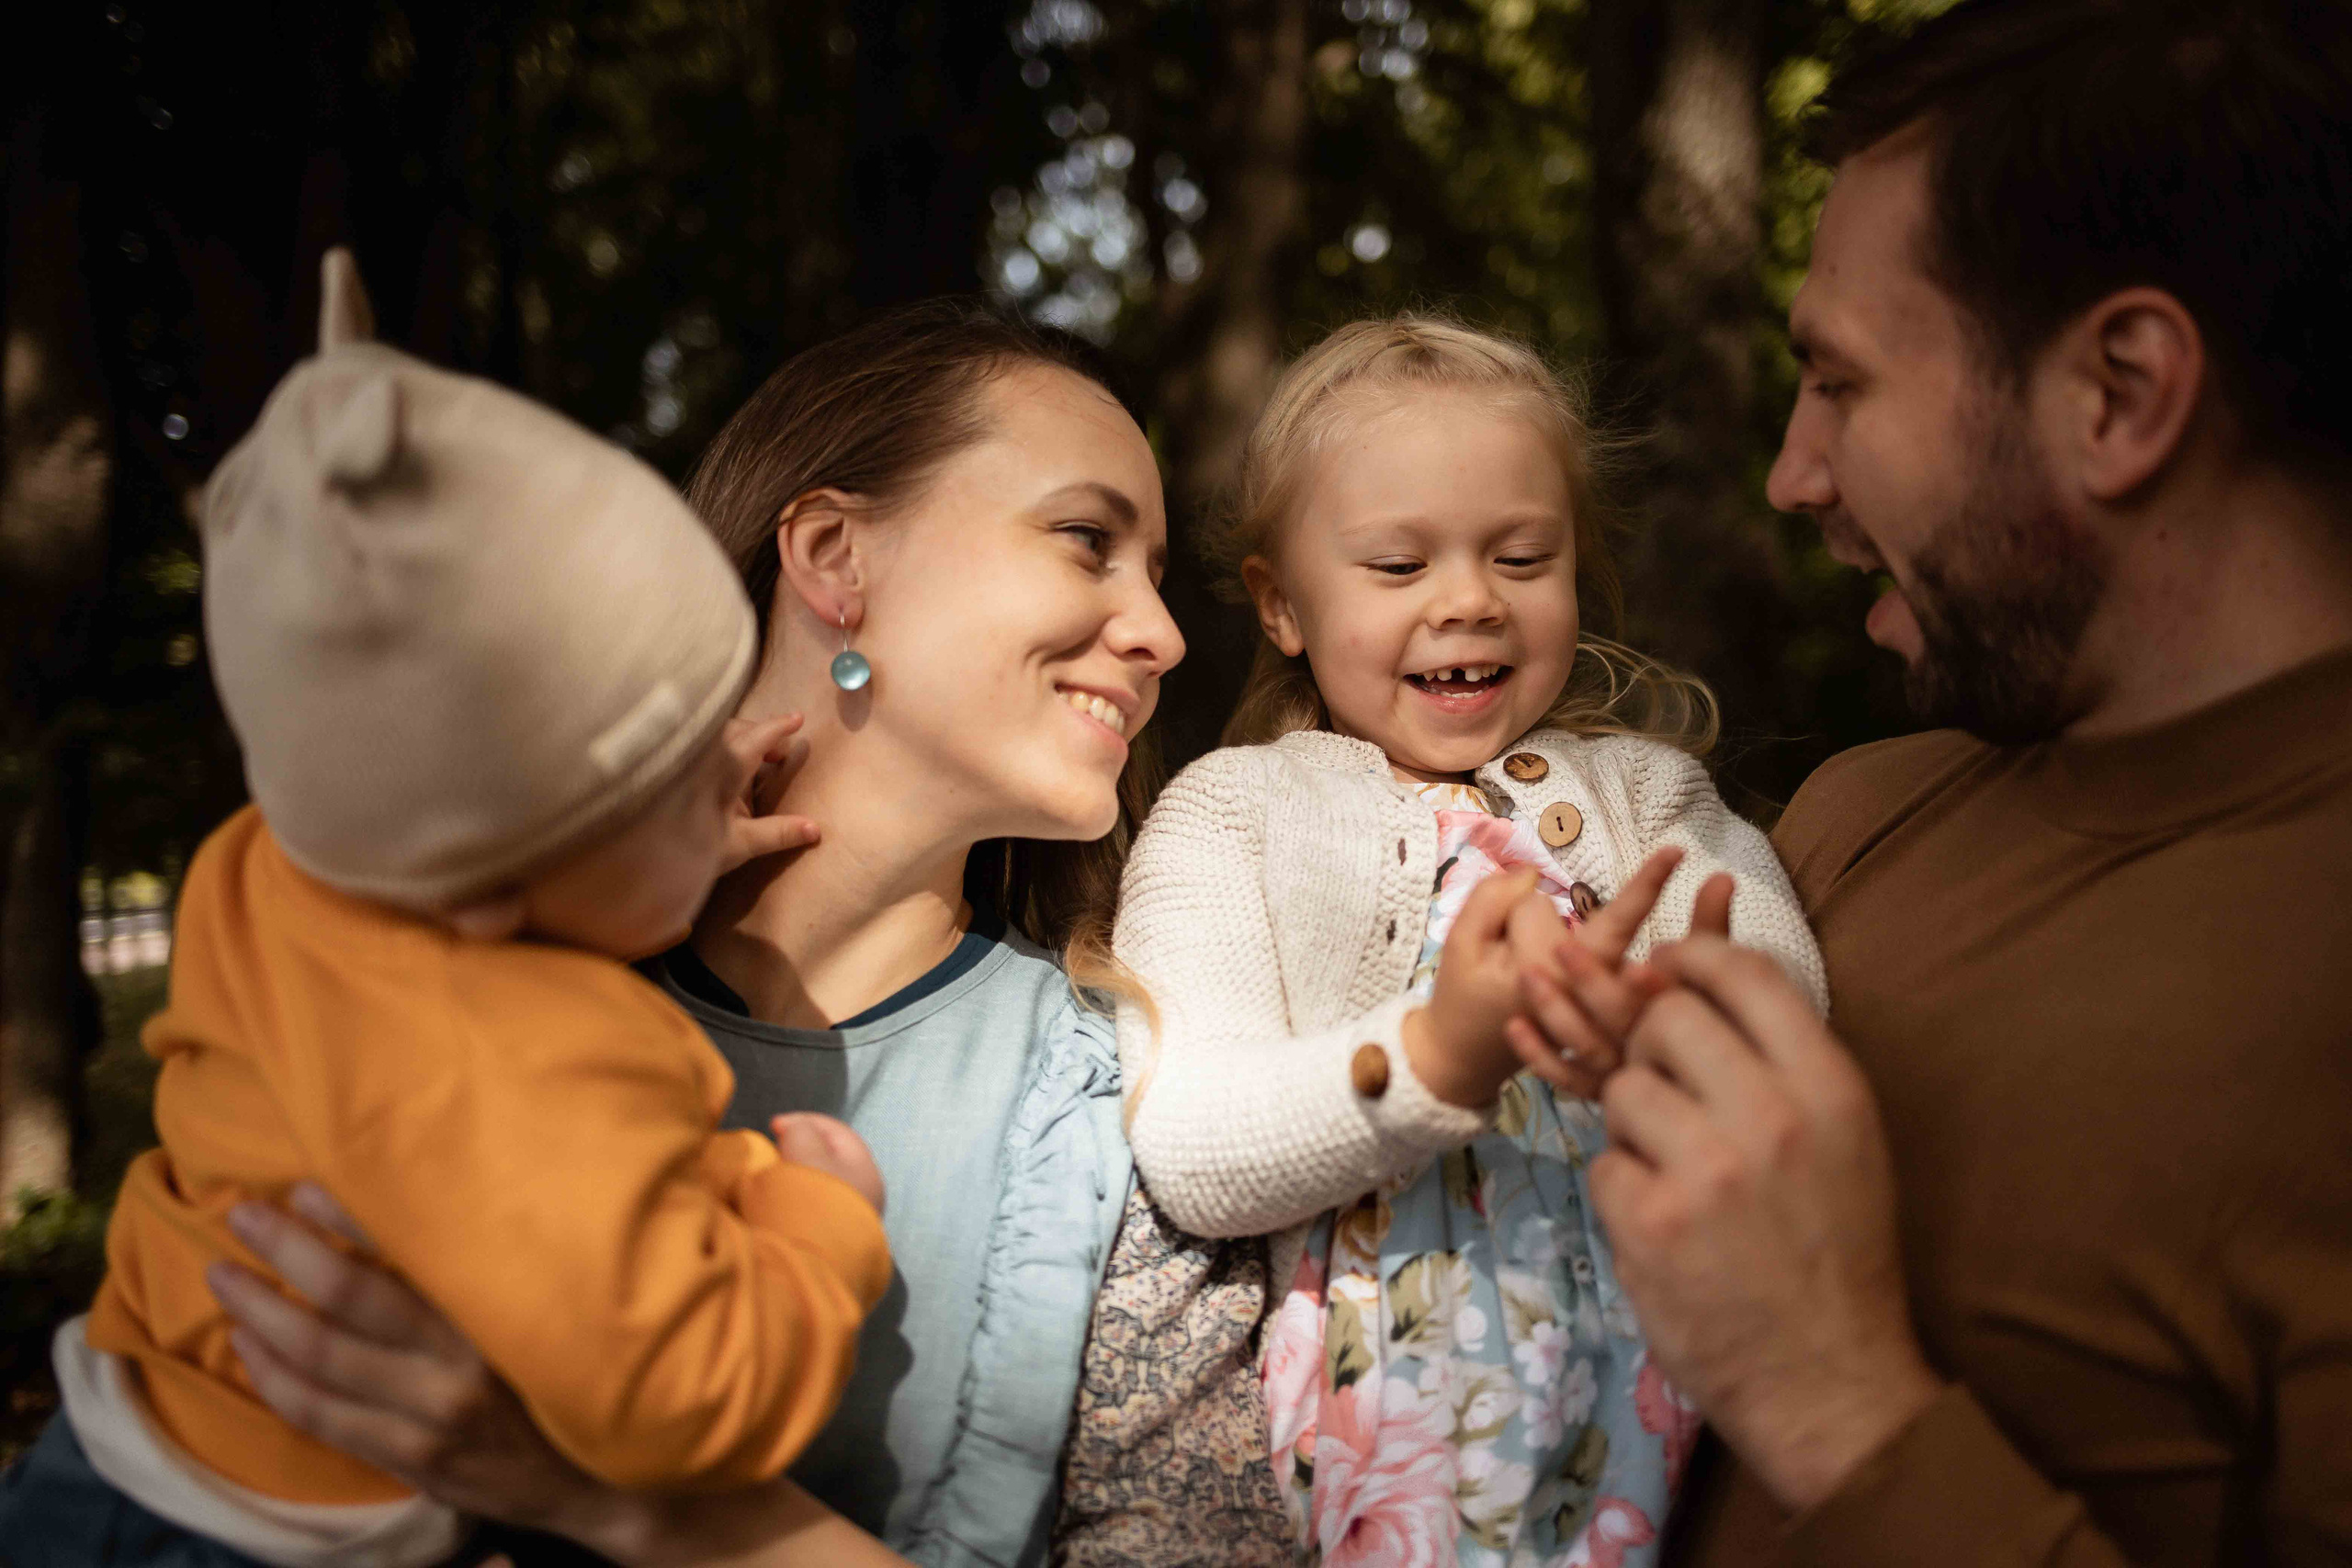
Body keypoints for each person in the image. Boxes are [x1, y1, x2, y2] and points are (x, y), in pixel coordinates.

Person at [168, 297, 1187, 1568]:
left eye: (1157, 575)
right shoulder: (414, 955)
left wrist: (619, 1502)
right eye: (1089, 541)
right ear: (831, 557)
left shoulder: (1139, 1099)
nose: (1162, 633)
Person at [1561, 3, 2352, 1563]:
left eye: (1841, 383)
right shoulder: (1858, 817)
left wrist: (1839, 1396)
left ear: (2120, 394)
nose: (1795, 475)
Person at [0, 254, 891, 1568]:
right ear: (485, 891)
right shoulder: (521, 1054)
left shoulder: (276, 863)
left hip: (104, 1455)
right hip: (258, 1539)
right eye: (683, 777)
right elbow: (674, 1396)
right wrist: (824, 1234)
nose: (735, 771)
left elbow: (453, 886)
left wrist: (634, 850)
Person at [1102, 317, 1826, 1566]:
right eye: (1396, 567)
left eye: (1523, 555)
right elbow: (1191, 1144)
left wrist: (1683, 1011)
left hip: (1678, 1402)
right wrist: (1432, 1057)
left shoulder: (1646, 798)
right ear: (1281, 605)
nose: (1471, 600)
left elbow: (1786, 992)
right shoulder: (1235, 819)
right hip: (1385, 1441)